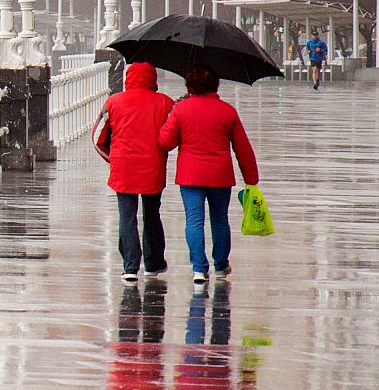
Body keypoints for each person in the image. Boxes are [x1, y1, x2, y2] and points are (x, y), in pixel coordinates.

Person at [157, 64, 260, 285]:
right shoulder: (227, 111)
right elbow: (242, 148)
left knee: (194, 221)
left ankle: (198, 268)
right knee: (220, 220)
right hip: (220, 176)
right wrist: (251, 178)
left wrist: (174, 112)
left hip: (190, 176)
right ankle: (221, 264)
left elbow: (165, 142)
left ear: (190, 85)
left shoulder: (181, 110)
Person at [100, 62, 176, 283]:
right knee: (152, 214)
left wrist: (112, 158)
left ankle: (130, 267)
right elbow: (172, 136)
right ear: (153, 78)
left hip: (123, 167)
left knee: (127, 216)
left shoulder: (113, 102)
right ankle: (153, 263)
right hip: (153, 166)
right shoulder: (165, 103)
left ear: (128, 78)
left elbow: (98, 137)